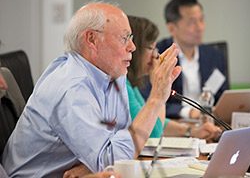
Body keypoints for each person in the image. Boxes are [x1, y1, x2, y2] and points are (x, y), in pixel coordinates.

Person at [2, 1, 181, 177]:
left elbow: (120, 138)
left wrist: (92, 166)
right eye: (124, 38)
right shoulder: (71, 87)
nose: (132, 47)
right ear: (92, 39)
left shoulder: (114, 74)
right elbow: (114, 158)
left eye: (131, 38)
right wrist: (157, 97)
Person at [62, 15, 222, 178]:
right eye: (151, 48)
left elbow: (154, 121)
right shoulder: (119, 85)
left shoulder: (130, 85)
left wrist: (190, 131)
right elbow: (152, 135)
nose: (156, 55)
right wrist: (159, 89)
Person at [140, 0, 229, 119]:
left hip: (209, 122)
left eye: (201, 20)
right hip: (173, 124)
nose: (200, 27)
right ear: (172, 28)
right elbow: (148, 98)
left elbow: (224, 97)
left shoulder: (215, 55)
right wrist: (190, 112)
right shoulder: (157, 55)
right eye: (192, 22)